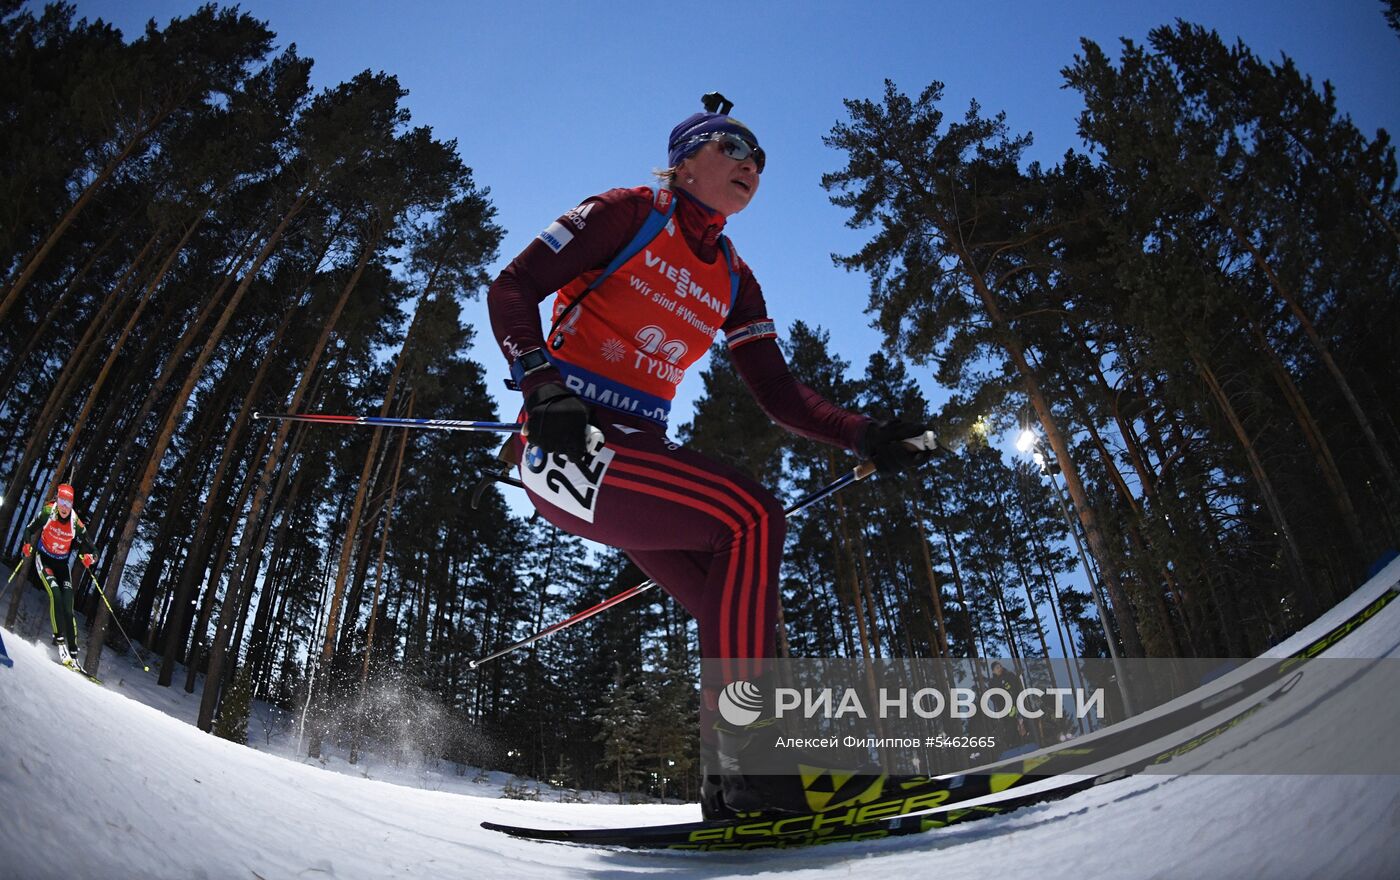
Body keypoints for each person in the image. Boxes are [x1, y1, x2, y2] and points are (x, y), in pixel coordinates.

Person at [487, 93, 932, 817]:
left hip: (635, 459)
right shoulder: (629, 213)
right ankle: (749, 772)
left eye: (759, 158)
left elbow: (779, 392)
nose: (751, 163)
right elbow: (512, 288)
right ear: (684, 160)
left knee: (739, 606)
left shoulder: (733, 275)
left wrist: (864, 432)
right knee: (752, 517)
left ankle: (752, 779)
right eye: (733, 146)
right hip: (570, 450)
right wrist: (540, 388)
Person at [21, 482, 99, 675]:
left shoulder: (75, 522)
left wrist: (90, 558)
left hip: (62, 565)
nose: (64, 506)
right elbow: (29, 530)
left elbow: (93, 549)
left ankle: (73, 653)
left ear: (72, 504)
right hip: (44, 559)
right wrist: (26, 544)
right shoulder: (48, 512)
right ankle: (60, 642)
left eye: (69, 502)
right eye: (62, 501)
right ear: (58, 499)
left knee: (68, 606)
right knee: (55, 594)